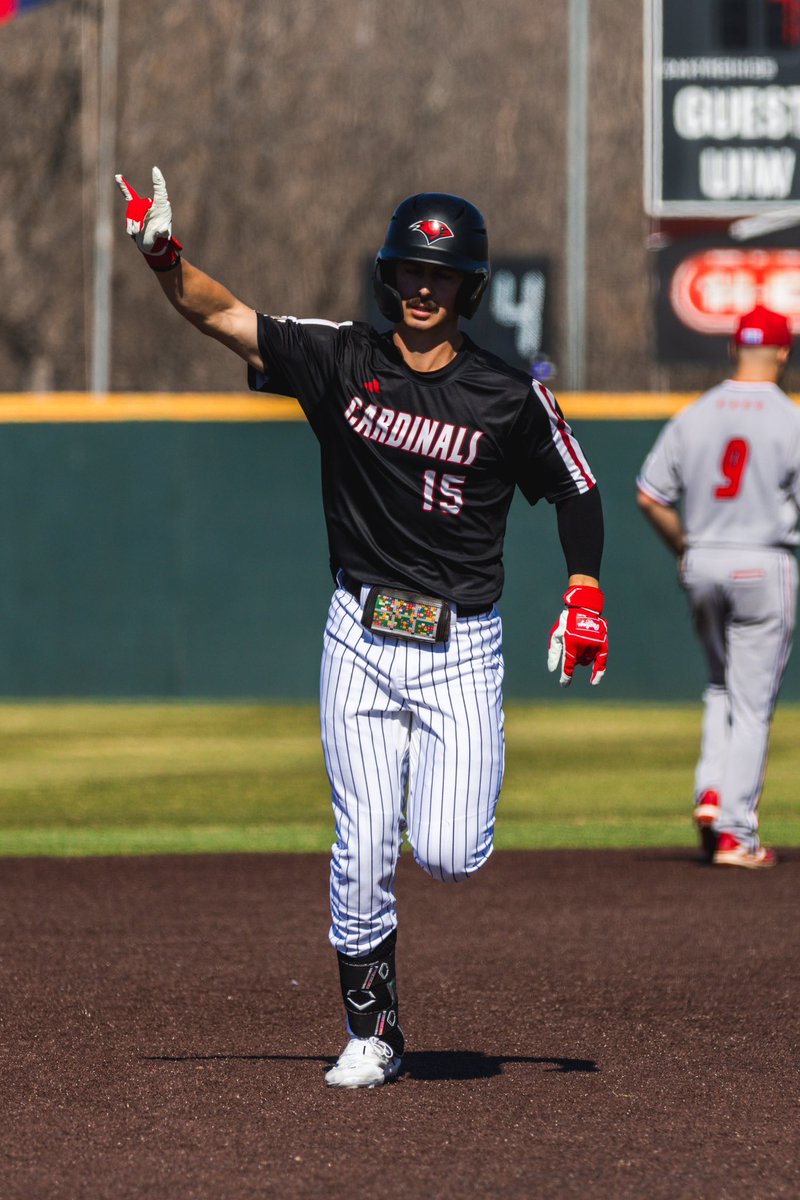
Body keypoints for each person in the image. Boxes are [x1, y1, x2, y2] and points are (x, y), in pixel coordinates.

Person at [115, 168, 608, 1087]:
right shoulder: (342, 358)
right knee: (364, 841)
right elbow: (228, 318)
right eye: (410, 271)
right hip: (359, 634)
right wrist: (163, 257)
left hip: (461, 647)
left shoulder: (506, 395)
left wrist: (584, 588)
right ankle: (373, 1030)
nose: (424, 287)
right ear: (391, 278)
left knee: (454, 854)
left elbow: (579, 486)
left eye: (442, 275)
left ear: (469, 287)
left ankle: (402, 949)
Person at [637, 305, 800, 870]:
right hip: (764, 561)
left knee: (720, 686)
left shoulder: (694, 414)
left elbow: (649, 495)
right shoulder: (790, 418)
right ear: (783, 352)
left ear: (735, 349)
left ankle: (711, 794)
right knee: (753, 706)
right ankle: (736, 832)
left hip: (703, 559)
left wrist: (686, 548)